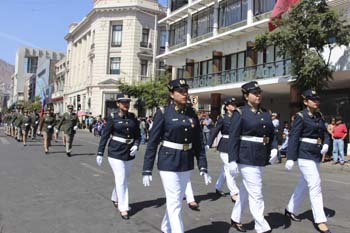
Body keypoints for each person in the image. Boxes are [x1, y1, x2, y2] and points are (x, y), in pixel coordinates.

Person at [142, 78, 211, 233]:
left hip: (186, 161)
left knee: (177, 200)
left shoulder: (191, 113)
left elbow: (198, 142)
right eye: (180, 91)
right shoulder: (163, 113)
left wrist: (203, 166)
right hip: (168, 160)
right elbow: (152, 142)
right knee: (175, 201)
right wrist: (147, 168)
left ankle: (166, 227)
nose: (185, 94)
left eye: (186, 90)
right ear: (171, 94)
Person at [228, 81, 278, 233]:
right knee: (256, 192)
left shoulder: (265, 113)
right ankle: (261, 226)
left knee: (245, 190)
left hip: (261, 156)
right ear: (246, 96)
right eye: (255, 93)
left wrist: (274, 148)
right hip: (246, 156)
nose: (258, 95)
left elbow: (272, 133)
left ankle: (236, 218)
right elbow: (233, 137)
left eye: (259, 92)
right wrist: (232, 160)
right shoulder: (240, 112)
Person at [284, 89, 331, 233]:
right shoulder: (301, 116)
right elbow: (293, 137)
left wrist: (326, 144)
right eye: (313, 99)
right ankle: (320, 220)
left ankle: (290, 209)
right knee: (315, 184)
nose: (316, 101)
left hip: (316, 153)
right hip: (304, 154)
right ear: (305, 102)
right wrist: (290, 157)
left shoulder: (319, 116)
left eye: (317, 99)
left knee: (303, 184)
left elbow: (325, 133)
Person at [96, 93, 140, 220]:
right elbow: (105, 135)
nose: (126, 104)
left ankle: (115, 197)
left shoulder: (132, 117)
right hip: (115, 152)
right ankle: (123, 207)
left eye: (127, 102)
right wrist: (100, 152)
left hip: (129, 151)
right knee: (121, 179)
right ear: (118, 104)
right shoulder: (112, 117)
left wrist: (136, 144)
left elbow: (137, 134)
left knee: (124, 177)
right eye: (123, 102)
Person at [206, 97, 239, 202]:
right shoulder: (223, 118)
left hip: (235, 146)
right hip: (225, 146)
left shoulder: (238, 117)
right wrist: (208, 144)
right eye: (232, 104)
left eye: (235, 104)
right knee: (230, 169)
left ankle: (218, 187)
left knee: (226, 169)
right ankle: (234, 192)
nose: (234, 106)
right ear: (227, 107)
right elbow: (215, 131)